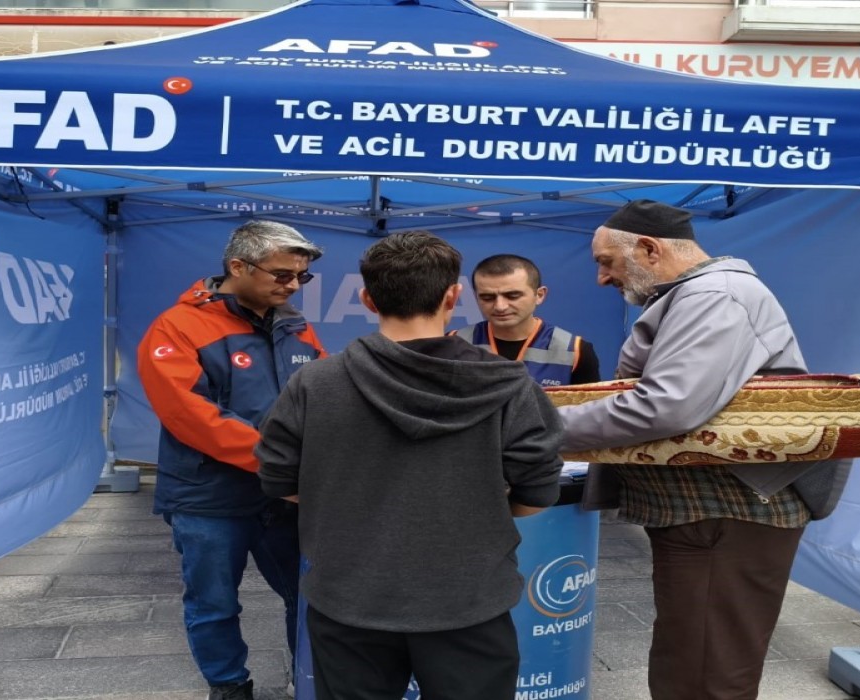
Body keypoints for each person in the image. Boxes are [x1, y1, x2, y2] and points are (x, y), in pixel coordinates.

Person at [555, 199, 852, 700]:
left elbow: (667, 406)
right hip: (714, 515)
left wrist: (542, 427)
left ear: (648, 249)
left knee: (704, 674)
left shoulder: (715, 294)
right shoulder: (702, 293)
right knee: (693, 660)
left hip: (725, 514)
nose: (602, 278)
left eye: (605, 262)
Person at [255, 231, 564, 700]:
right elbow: (538, 490)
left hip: (348, 598)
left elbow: (279, 478)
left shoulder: (315, 383)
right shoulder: (510, 384)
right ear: (454, 296)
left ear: (366, 298)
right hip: (468, 600)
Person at [137, 220, 325, 700]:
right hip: (209, 497)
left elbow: (324, 397)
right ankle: (228, 685)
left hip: (286, 497)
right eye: (282, 274)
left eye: (301, 277)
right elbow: (190, 415)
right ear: (237, 266)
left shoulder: (297, 327)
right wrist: (279, 467)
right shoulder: (177, 327)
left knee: (308, 598)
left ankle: (302, 676)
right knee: (214, 602)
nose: (292, 285)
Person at [451, 254, 601, 386]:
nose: (500, 306)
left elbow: (587, 413)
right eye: (487, 297)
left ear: (540, 295)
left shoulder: (576, 350)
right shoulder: (452, 343)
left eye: (513, 296)